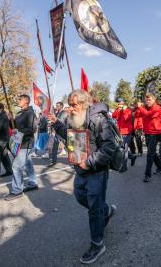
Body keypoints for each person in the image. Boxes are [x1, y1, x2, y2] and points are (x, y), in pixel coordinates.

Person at [48, 90, 117, 264]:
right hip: (80, 170)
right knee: (80, 196)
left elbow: (109, 148)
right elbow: (71, 139)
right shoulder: (74, 119)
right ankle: (106, 211)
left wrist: (90, 162)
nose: (70, 109)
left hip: (96, 171)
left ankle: (97, 244)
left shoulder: (98, 120)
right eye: (69, 104)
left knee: (94, 209)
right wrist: (57, 123)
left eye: (74, 105)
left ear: (85, 104)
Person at [4, 94, 38, 201]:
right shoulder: (19, 114)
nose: (18, 100)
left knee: (16, 166)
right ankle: (33, 183)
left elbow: (32, 129)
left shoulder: (30, 113)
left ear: (26, 101)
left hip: (26, 143)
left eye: (20, 99)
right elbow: (14, 127)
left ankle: (17, 190)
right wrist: (10, 120)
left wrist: (18, 131)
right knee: (28, 163)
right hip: (19, 142)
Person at [135, 93, 161, 182]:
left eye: (149, 100)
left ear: (154, 100)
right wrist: (139, 108)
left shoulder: (157, 108)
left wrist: (140, 107)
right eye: (146, 100)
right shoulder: (144, 108)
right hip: (147, 133)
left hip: (155, 133)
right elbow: (136, 115)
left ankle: (147, 175)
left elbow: (148, 114)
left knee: (149, 154)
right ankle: (160, 168)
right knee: (152, 153)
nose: (147, 102)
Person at [112, 98, 136, 172]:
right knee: (120, 148)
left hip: (126, 132)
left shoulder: (128, 110)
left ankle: (124, 166)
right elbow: (113, 116)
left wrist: (124, 110)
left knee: (124, 150)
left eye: (120, 103)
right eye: (118, 103)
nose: (119, 104)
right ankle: (132, 157)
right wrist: (118, 109)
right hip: (119, 132)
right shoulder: (118, 110)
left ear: (123, 103)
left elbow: (126, 118)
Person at [49, 102, 68, 166]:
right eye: (56, 106)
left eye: (58, 106)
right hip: (58, 132)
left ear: (61, 106)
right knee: (54, 147)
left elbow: (61, 121)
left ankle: (75, 159)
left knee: (69, 147)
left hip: (63, 132)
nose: (56, 107)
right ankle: (53, 162)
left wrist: (54, 119)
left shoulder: (64, 113)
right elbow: (55, 122)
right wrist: (52, 123)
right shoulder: (56, 113)